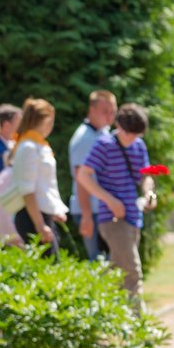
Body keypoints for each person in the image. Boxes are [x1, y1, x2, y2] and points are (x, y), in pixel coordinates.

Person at [77, 103, 155, 312]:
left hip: (133, 216)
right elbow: (83, 175)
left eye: (136, 135)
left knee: (116, 270)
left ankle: (97, 309)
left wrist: (149, 193)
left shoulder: (139, 145)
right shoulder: (103, 145)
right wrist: (109, 200)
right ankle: (139, 323)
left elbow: (145, 175)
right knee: (132, 270)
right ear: (119, 126)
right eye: (129, 134)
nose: (132, 138)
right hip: (111, 219)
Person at [9, 98, 67, 259]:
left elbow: (43, 185)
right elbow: (27, 190)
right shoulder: (28, 146)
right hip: (32, 216)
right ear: (45, 120)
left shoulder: (37, 144)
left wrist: (53, 209)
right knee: (47, 268)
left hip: (39, 215)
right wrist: (40, 225)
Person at [69, 90, 117, 260]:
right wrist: (87, 215)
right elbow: (81, 179)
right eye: (105, 112)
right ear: (92, 110)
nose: (110, 117)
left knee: (110, 259)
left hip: (102, 208)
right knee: (97, 260)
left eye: (113, 112)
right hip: (91, 210)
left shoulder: (104, 133)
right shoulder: (85, 138)